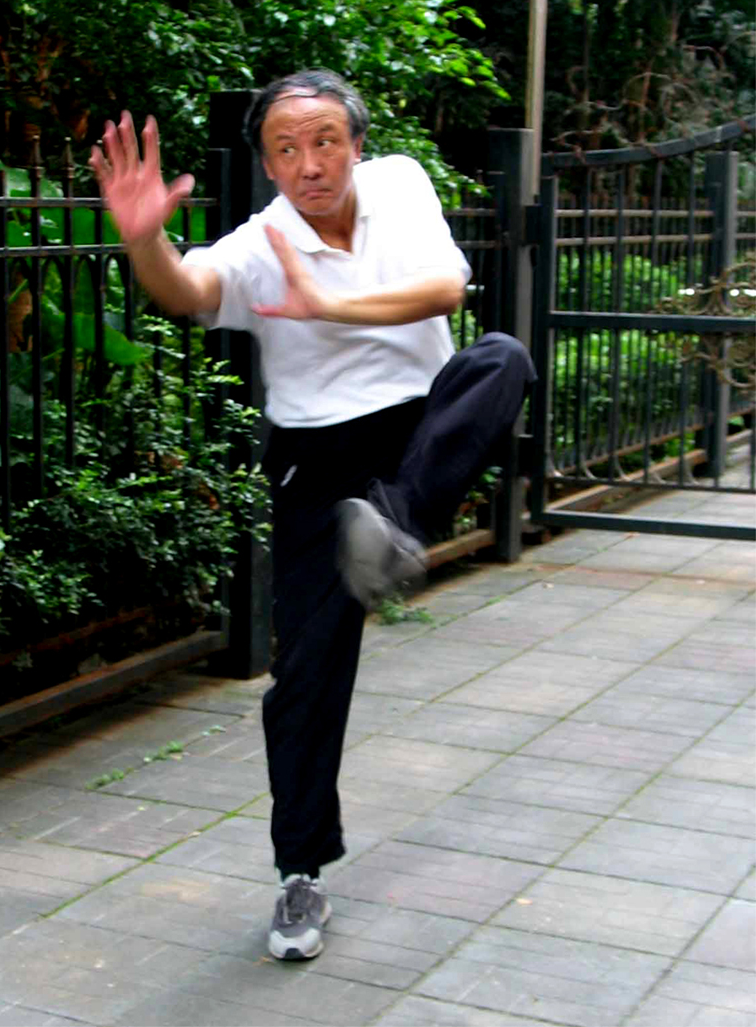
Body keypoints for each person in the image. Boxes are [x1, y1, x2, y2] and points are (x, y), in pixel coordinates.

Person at [90, 69, 535, 961]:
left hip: (417, 426)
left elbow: (444, 290)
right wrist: (144, 240)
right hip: (319, 458)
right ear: (268, 165)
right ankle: (301, 874)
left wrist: (331, 305)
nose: (309, 164)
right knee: (305, 680)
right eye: (286, 149)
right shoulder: (261, 243)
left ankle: (394, 526)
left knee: (500, 358)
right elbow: (186, 289)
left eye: (325, 140)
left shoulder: (401, 184)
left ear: (357, 145)